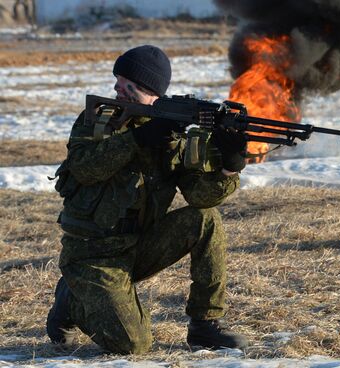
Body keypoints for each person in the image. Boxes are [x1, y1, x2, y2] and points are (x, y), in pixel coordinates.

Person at [46, 45, 249, 354]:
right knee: (134, 345)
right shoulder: (98, 120)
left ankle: (204, 326)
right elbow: (85, 168)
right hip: (91, 255)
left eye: (128, 86)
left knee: (204, 220)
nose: (117, 90)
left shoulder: (173, 138)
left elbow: (198, 197)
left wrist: (228, 167)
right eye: (118, 82)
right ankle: (72, 300)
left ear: (152, 93)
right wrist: (138, 139)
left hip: (138, 246)